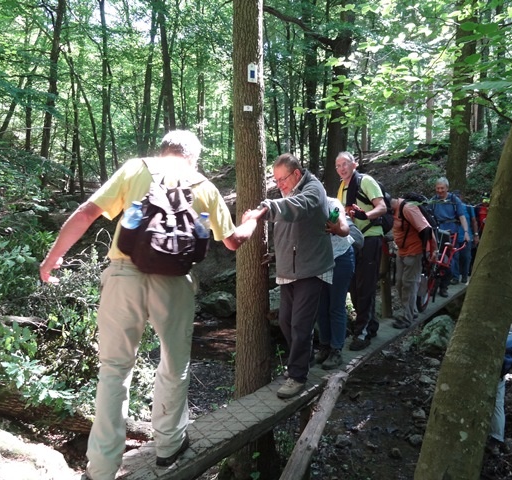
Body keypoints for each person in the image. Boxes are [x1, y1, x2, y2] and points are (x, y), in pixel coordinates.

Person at [39, 130, 264, 480]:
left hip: (123, 276)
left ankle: (100, 468)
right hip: (174, 283)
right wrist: (251, 220)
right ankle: (169, 446)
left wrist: (53, 259)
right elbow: (233, 242)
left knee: (114, 371)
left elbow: (87, 213)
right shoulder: (203, 184)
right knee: (175, 366)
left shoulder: (135, 169)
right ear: (193, 156)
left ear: (164, 150)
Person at [258, 153, 334, 399]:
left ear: (297, 174)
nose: (278, 184)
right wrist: (275, 255)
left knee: (301, 324)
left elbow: (298, 210)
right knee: (285, 322)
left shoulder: (313, 190)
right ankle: (304, 358)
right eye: (276, 180)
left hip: (310, 268)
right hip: (289, 268)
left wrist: (267, 207)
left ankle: (298, 375)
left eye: (282, 179)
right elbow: (289, 230)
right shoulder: (289, 192)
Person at [335, 151, 387, 351]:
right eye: (338, 165)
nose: (341, 168)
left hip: (370, 238)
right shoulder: (342, 187)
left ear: (354, 164)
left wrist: (366, 215)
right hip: (353, 241)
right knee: (355, 288)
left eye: (345, 164)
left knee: (365, 287)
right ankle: (370, 325)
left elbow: (381, 207)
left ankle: (362, 332)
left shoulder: (366, 181)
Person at [315, 197, 363, 370]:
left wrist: (336, 228)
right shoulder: (304, 207)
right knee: (321, 306)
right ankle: (325, 346)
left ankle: (336, 350)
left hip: (340, 257)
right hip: (320, 261)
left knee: (336, 305)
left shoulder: (331, 203)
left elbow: (344, 229)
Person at [390, 197, 438, 329]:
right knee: (399, 282)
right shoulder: (394, 211)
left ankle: (407, 318)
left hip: (414, 251)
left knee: (409, 284)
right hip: (401, 251)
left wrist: (434, 250)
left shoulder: (408, 208)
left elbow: (427, 229)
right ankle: (413, 311)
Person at [428, 177, 470, 297]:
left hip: (452, 232)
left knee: (449, 261)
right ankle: (432, 285)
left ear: (447, 188)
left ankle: (444, 287)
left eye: (442, 188)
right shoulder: (433, 200)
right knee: (435, 259)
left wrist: (466, 232)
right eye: (438, 188)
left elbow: (461, 216)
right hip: (437, 231)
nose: (440, 190)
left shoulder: (454, 199)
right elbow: (427, 215)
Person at [451, 190, 478, 284]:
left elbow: (474, 221)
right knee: (454, 256)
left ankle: (465, 276)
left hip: (466, 236)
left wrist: (476, 235)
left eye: (459, 196)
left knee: (466, 257)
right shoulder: (451, 208)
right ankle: (455, 277)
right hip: (454, 236)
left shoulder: (468, 208)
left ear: (461, 197)